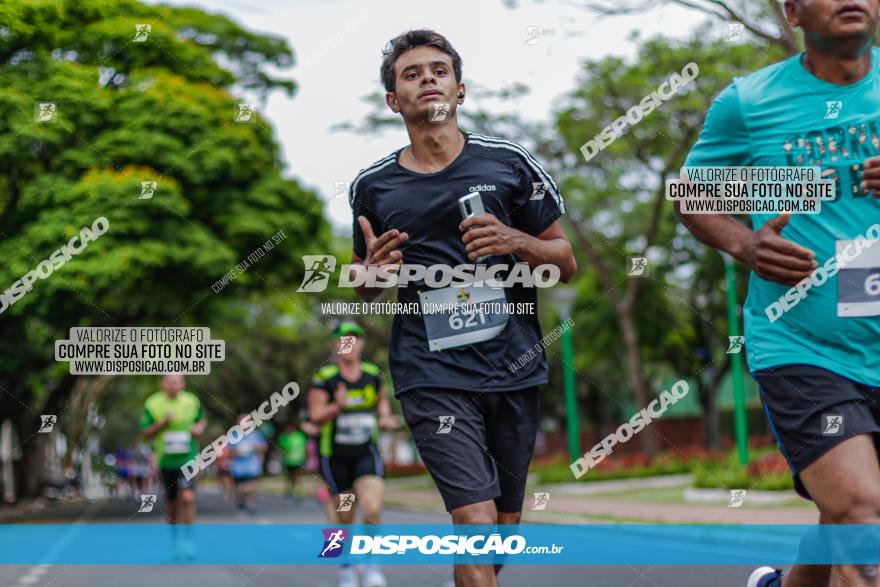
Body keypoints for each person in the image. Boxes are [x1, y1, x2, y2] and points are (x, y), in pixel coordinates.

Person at [347, 29, 576, 587]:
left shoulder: (509, 164)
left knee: (501, 530)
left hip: (513, 363)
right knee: (472, 519)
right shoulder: (373, 187)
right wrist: (372, 276)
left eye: (438, 70)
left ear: (460, 89)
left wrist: (514, 240)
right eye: (411, 73)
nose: (427, 78)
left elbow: (564, 261)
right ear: (392, 101)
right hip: (431, 370)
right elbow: (363, 282)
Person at [677, 1, 880, 586]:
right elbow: (693, 195)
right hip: (802, 343)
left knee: (840, 516)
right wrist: (745, 245)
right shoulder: (749, 101)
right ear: (791, 12)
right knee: (862, 515)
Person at [308, 321, 398, 587]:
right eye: (343, 338)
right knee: (345, 514)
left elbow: (381, 401)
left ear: (361, 344)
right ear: (335, 345)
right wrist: (337, 406)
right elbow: (315, 416)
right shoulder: (324, 378)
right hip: (335, 457)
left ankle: (371, 567)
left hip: (365, 453)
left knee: (372, 508)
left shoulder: (372, 373)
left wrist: (384, 417)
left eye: (355, 338)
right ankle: (347, 566)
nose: (349, 343)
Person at [140, 373, 206, 559]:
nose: (173, 386)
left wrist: (199, 428)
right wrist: (163, 423)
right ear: (162, 384)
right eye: (169, 382)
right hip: (166, 461)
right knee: (171, 504)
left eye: (176, 382)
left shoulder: (191, 401)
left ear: (183, 384)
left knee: (187, 497)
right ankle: (175, 540)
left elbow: (201, 420)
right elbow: (145, 432)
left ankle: (188, 540)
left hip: (188, 458)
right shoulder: (152, 404)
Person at [228, 413, 268, 515]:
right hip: (239, 467)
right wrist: (237, 452)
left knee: (253, 484)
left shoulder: (256, 435)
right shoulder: (234, 436)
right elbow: (229, 451)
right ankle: (240, 498)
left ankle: (251, 504)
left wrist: (256, 447)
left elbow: (264, 447)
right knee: (241, 488)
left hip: (252, 465)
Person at [278, 421, 308, 498]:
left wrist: (306, 457)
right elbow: (282, 448)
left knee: (298, 475)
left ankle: (298, 491)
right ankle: (290, 489)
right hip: (288, 461)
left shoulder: (300, 436)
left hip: (299, 460)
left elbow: (305, 447)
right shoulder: (284, 437)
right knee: (289, 476)